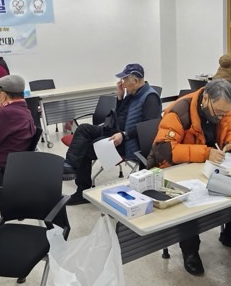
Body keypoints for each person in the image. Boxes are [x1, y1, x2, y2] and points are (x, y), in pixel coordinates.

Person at [147, 79, 231, 276]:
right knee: (190, 200)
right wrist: (206, 153)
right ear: (206, 99)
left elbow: (230, 128)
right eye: (219, 112)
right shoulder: (178, 112)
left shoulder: (222, 107)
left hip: (208, 165)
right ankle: (190, 251)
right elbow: (165, 150)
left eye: (225, 113)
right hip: (175, 167)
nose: (222, 116)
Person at [63, 63, 162, 205]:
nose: (123, 83)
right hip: (115, 131)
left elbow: (149, 127)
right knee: (83, 129)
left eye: (125, 79)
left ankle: (82, 191)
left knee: (85, 148)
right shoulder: (132, 93)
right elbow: (120, 115)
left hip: (128, 141)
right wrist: (120, 97)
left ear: (135, 81)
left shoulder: (150, 98)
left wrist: (124, 135)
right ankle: (69, 165)